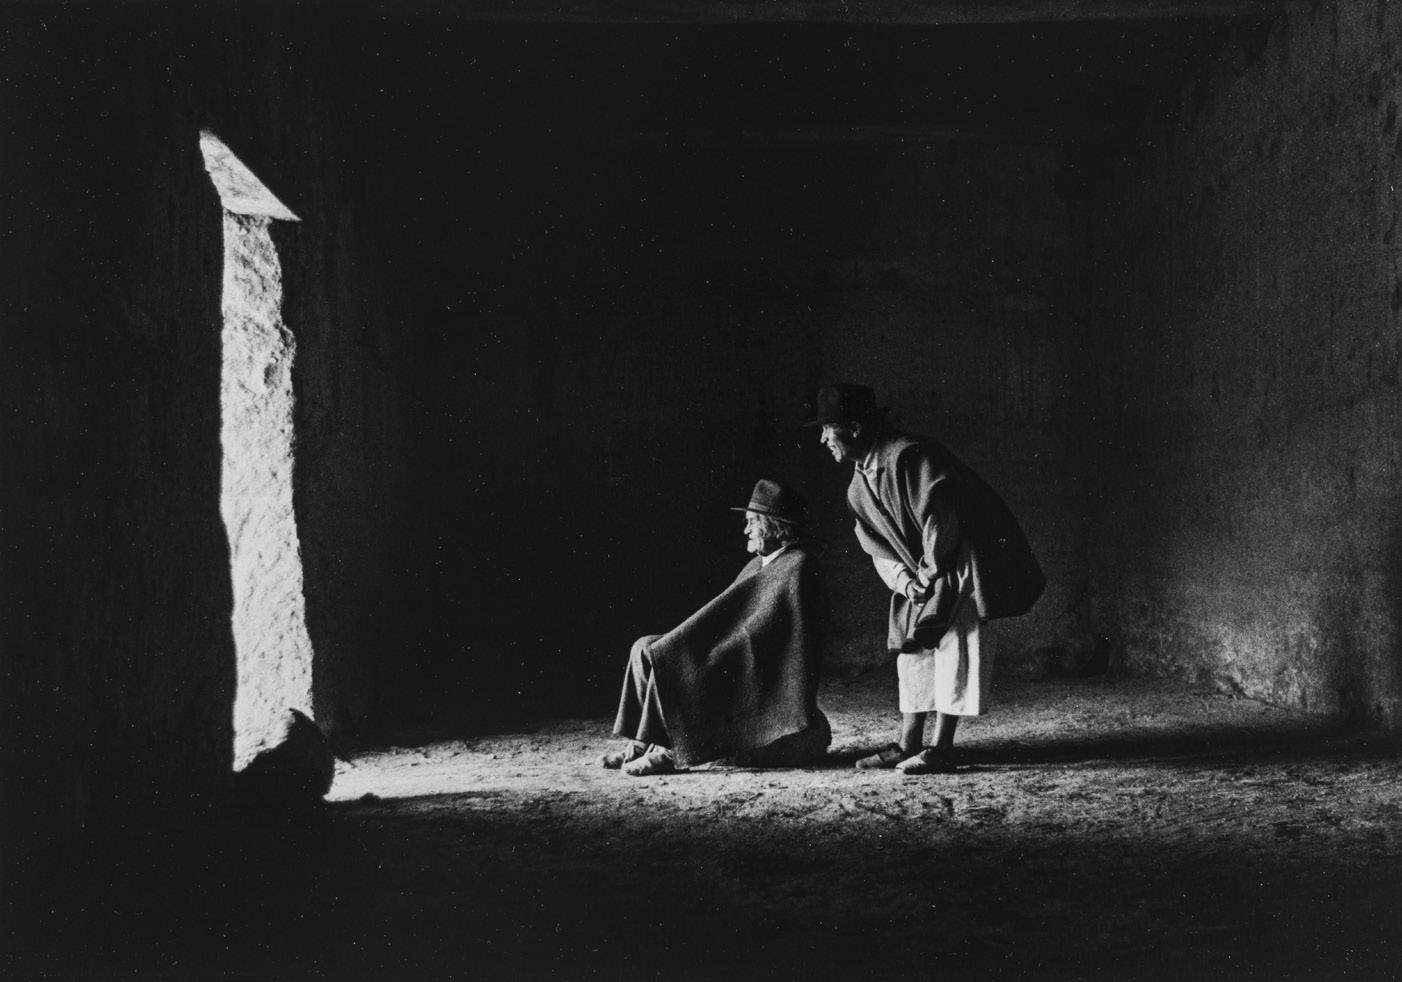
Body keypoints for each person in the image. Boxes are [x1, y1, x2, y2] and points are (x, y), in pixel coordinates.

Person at [810, 384, 1044, 774]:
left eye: (827, 428)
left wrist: (931, 573)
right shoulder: (858, 486)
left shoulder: (911, 455)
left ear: (854, 427)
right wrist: (906, 582)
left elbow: (943, 518)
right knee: (913, 650)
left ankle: (942, 748)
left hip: (960, 561)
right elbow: (878, 547)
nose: (823, 439)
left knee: (955, 643)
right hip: (921, 573)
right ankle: (908, 743)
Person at [603, 479, 832, 777]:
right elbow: (725, 617)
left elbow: (784, 637)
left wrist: (716, 648)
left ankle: (671, 752)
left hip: (760, 666)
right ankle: (641, 743)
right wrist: (701, 641)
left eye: (752, 522)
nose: (746, 530)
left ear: (776, 527)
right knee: (644, 646)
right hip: (734, 647)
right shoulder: (757, 565)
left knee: (677, 658)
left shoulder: (799, 565)